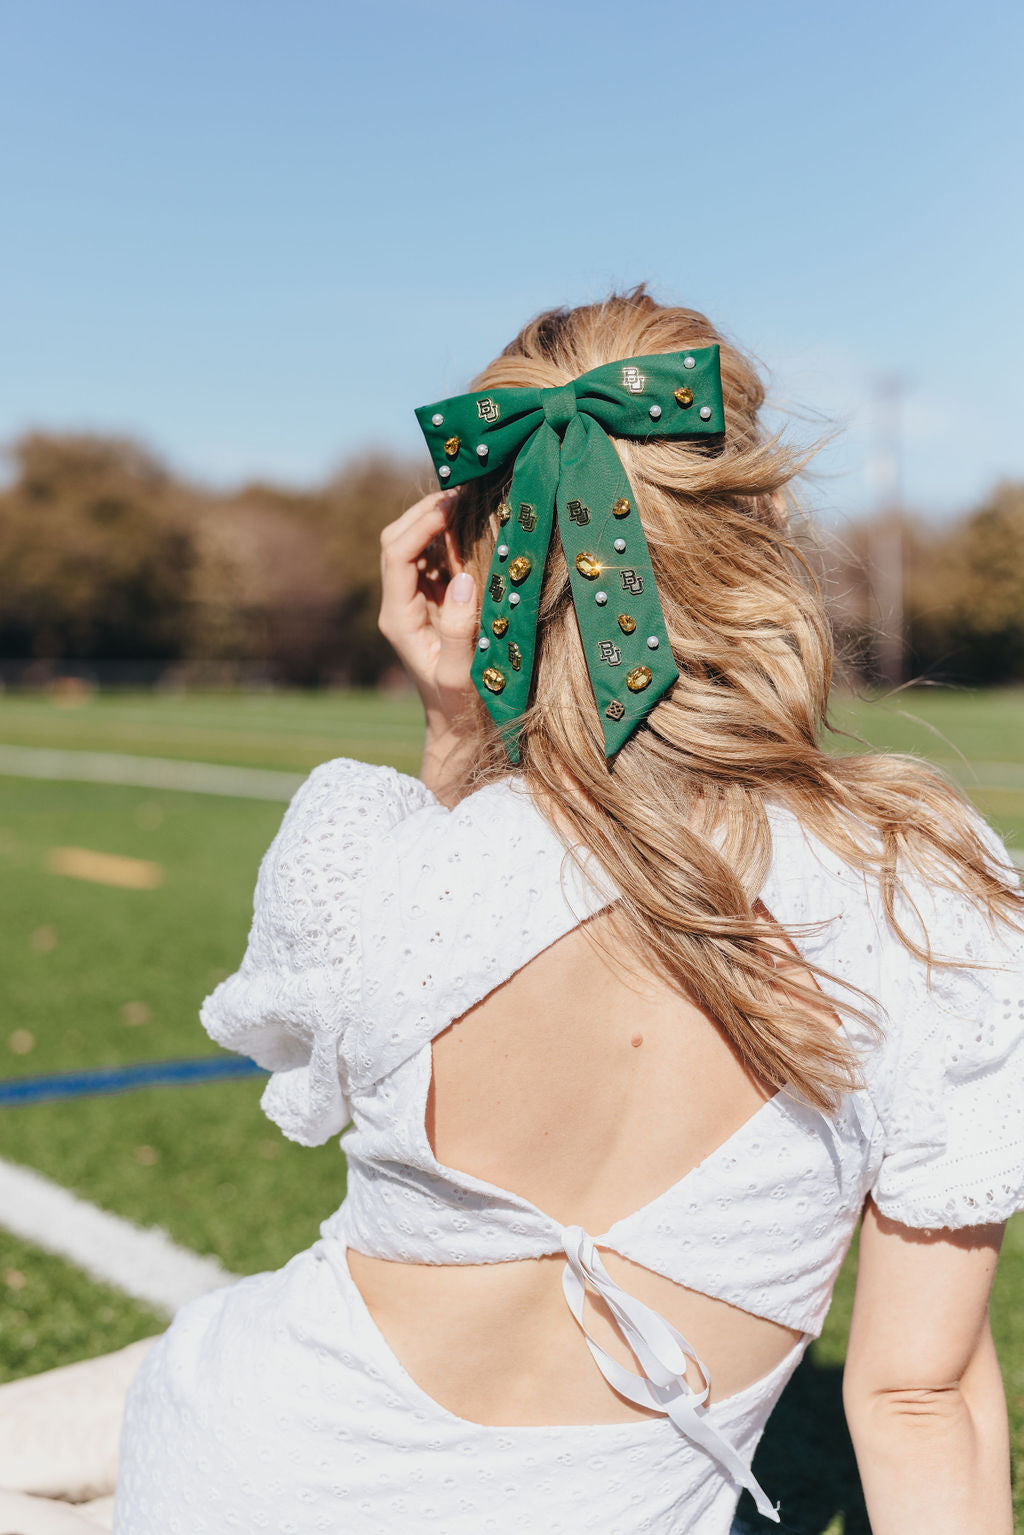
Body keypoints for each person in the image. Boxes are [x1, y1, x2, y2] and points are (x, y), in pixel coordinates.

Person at [113, 289, 1023, 1534]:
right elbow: (921, 1400)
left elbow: (350, 1063)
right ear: (757, 531)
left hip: (233, 1475)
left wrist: (451, 731)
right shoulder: (922, 885)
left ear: (477, 562)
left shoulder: (377, 855)